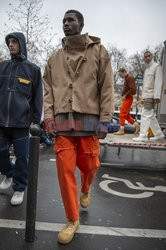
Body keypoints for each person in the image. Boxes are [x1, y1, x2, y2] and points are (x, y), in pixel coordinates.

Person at [43, 10, 114, 244]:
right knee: (64, 174)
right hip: (62, 124)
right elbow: (48, 91)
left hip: (89, 122)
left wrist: (106, 118)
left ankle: (86, 187)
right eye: (63, 20)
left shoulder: (100, 52)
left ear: (82, 24)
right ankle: (72, 219)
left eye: (70, 20)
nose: (66, 24)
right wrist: (49, 117)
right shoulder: (54, 58)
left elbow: (107, 87)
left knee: (90, 165)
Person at [0, 32, 43, 205]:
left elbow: (37, 98)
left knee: (22, 157)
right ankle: (9, 173)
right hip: (1, 121)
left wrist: (35, 121)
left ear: (21, 44)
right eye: (9, 42)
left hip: (21, 123)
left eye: (14, 42)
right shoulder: (1, 67)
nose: (10, 45)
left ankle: (19, 189)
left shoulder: (33, 70)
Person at [133, 51, 164, 142]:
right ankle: (159, 134)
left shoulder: (156, 67)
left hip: (151, 95)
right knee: (151, 116)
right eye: (145, 56)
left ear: (152, 56)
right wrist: (142, 97)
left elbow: (159, 82)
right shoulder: (146, 69)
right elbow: (146, 84)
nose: (147, 58)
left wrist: (157, 96)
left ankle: (143, 135)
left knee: (145, 114)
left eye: (149, 56)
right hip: (146, 95)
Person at [114, 68, 140, 135]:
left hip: (128, 98)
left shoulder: (129, 78)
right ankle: (137, 126)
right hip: (127, 98)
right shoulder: (127, 78)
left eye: (120, 74)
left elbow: (133, 89)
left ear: (124, 72)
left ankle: (121, 130)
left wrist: (125, 95)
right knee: (127, 116)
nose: (120, 76)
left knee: (122, 114)